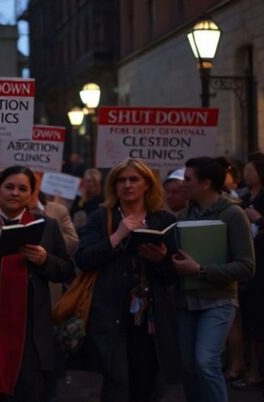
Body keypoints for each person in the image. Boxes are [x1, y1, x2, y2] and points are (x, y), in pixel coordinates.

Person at [0, 166, 74, 402]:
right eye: (9, 187)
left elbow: (66, 269)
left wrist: (44, 259)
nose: (15, 193)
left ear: (31, 194)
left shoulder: (46, 225)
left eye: (22, 188)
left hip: (30, 332)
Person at [75, 158, 181, 402]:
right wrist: (118, 236)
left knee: (147, 381)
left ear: (147, 184)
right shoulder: (100, 218)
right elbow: (83, 259)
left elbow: (174, 274)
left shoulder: (163, 220)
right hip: (110, 313)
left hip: (151, 317)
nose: (128, 185)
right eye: (121, 180)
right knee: (117, 382)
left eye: (134, 179)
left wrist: (162, 259)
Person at [173, 157, 254, 402]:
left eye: (188, 180)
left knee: (206, 361)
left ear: (206, 183)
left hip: (218, 301)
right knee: (188, 367)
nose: (182, 184)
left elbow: (247, 266)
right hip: (185, 302)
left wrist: (201, 270)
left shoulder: (233, 214)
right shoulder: (183, 215)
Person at [229, 158, 264, 389]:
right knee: (247, 315)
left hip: (262, 263)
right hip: (248, 260)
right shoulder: (243, 196)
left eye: (251, 170)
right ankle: (246, 365)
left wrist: (258, 218)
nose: (247, 173)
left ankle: (256, 370)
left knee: (258, 315)